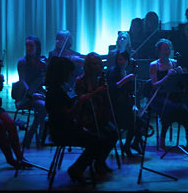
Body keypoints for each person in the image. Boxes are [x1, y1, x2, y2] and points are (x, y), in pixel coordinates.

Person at [45, 56, 115, 184]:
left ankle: (89, 166)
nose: (71, 74)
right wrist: (80, 102)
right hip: (62, 131)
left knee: (105, 135)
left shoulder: (58, 88)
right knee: (96, 141)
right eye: (69, 72)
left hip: (65, 127)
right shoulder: (56, 92)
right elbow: (66, 113)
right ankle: (76, 169)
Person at [74, 53, 117, 174]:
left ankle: (100, 161)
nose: (97, 66)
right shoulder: (80, 80)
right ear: (88, 65)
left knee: (114, 133)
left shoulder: (100, 80)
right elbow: (82, 99)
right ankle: (95, 162)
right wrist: (97, 92)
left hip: (99, 114)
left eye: (98, 63)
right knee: (101, 137)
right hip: (86, 116)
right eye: (94, 63)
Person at [149, 39, 188, 150]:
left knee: (185, 110)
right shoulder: (154, 65)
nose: (167, 51)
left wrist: (181, 74)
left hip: (173, 95)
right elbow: (154, 85)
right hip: (159, 96)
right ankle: (162, 139)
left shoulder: (174, 63)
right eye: (165, 49)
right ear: (159, 51)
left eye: (169, 48)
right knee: (168, 109)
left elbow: (180, 84)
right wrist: (167, 76)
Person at [15, 35, 48, 149]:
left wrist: (46, 69)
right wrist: (32, 94)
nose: (28, 48)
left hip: (38, 93)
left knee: (51, 104)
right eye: (27, 45)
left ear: (37, 47)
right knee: (43, 107)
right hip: (26, 95)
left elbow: (45, 81)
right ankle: (33, 135)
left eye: (31, 45)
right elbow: (22, 81)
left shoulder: (41, 61)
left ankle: (42, 135)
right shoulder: (22, 62)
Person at [106, 50, 140, 156]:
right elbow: (111, 88)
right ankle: (128, 146)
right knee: (135, 122)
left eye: (124, 59)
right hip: (114, 108)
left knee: (141, 121)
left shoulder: (124, 71)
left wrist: (134, 104)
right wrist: (126, 79)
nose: (122, 62)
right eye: (119, 59)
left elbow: (130, 92)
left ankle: (131, 144)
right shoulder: (113, 71)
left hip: (124, 106)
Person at [49, 30, 84, 95]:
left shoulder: (75, 55)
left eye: (60, 39)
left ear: (67, 41)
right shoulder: (52, 54)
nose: (57, 41)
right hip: (56, 88)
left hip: (72, 86)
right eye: (57, 39)